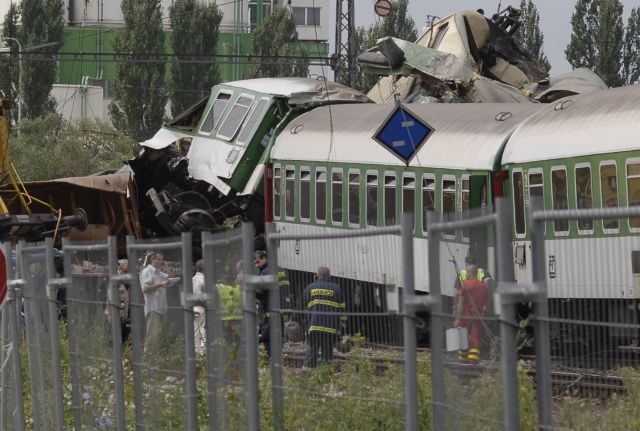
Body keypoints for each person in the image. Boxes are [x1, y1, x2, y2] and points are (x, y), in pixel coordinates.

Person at [303, 266, 346, 368]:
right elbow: (342, 311)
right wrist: (342, 329)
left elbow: (305, 309)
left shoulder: (310, 288)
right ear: (329, 276)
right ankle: (325, 375)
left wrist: (306, 328)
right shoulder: (336, 288)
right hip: (330, 328)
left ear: (317, 275)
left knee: (312, 351)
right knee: (327, 354)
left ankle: (308, 374)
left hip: (314, 326)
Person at [454, 263, 490, 364]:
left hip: (464, 316)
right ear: (477, 272)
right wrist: (483, 315)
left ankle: (463, 363)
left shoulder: (465, 285)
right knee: (475, 340)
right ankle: (472, 363)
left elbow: (460, 303)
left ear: (469, 273)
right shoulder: (483, 287)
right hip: (477, 317)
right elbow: (487, 305)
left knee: (463, 340)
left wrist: (457, 318)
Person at [140, 251, 171, 353]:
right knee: (152, 335)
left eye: (162, 260)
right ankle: (148, 358)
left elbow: (170, 278)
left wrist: (167, 268)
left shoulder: (159, 272)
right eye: (158, 259)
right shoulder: (147, 272)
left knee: (157, 335)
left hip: (161, 307)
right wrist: (160, 284)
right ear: (152, 259)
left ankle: (154, 357)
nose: (160, 262)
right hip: (153, 307)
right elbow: (145, 288)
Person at [105, 259, 131, 345]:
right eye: (124, 272)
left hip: (124, 315)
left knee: (123, 339)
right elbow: (112, 299)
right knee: (114, 340)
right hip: (115, 315)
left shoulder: (126, 282)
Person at [192, 259, 206, 355]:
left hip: (193, 307)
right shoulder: (204, 279)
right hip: (202, 307)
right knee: (204, 331)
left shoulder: (192, 279)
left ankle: (196, 353)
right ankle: (204, 353)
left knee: (195, 332)